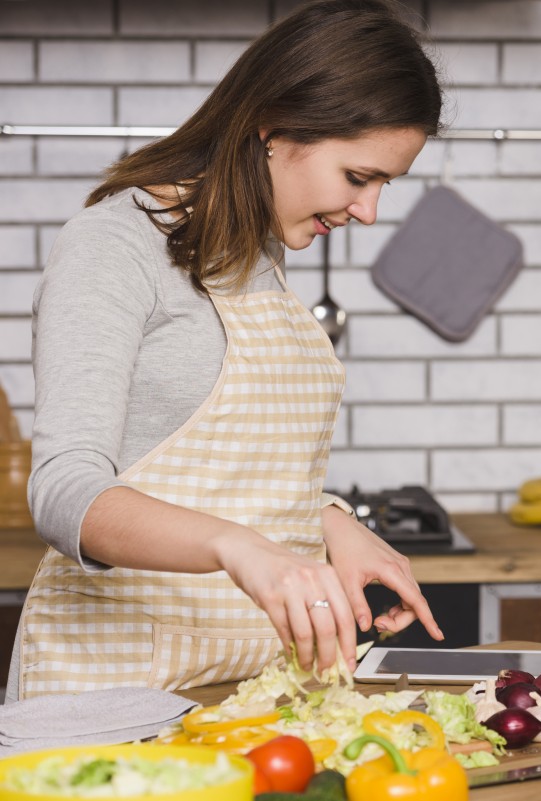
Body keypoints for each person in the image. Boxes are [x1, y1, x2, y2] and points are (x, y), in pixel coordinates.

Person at [8, 0, 444, 701]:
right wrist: (241, 549)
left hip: (250, 688)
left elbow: (235, 473)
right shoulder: (113, 247)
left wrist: (332, 524)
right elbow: (65, 492)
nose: (368, 212)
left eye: (382, 185)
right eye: (358, 178)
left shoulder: (257, 253)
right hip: (112, 691)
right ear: (273, 128)